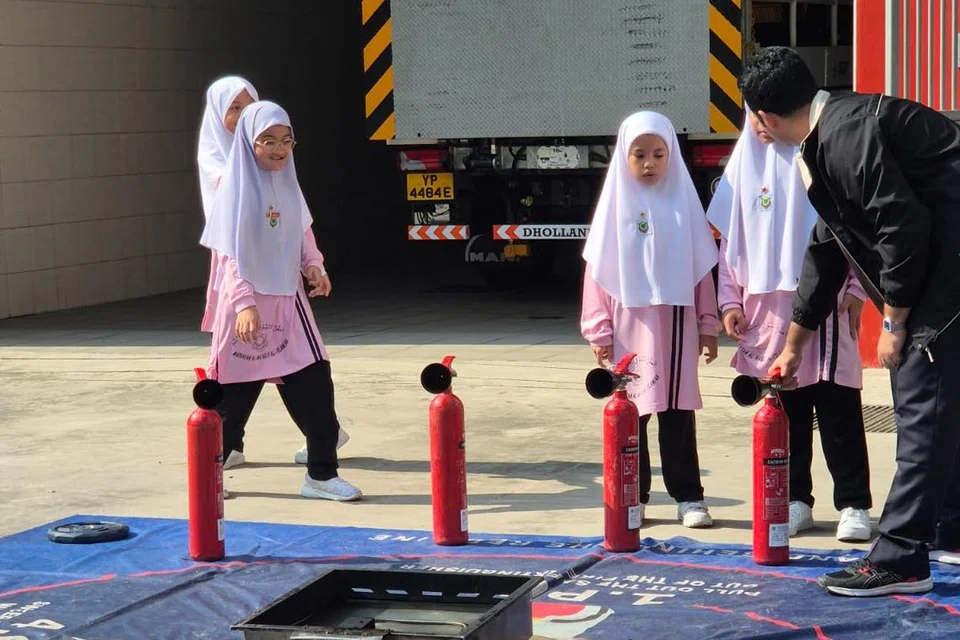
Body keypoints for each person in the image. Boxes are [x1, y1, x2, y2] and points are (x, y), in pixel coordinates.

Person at [740, 46, 960, 596]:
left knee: (919, 399)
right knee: (941, 405)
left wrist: (894, 319)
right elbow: (828, 247)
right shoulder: (829, 135)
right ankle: (947, 528)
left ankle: (901, 559)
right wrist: (794, 344)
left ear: (764, 118)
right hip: (945, 260)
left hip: (947, 266)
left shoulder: (841, 136)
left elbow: (900, 225)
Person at [706, 106, 873, 542]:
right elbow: (731, 247)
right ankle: (797, 499)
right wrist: (728, 302)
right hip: (769, 314)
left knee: (838, 409)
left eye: (770, 117)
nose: (764, 128)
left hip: (826, 304)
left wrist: (855, 289)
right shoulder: (741, 171)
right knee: (787, 410)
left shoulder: (816, 161)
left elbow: (850, 227)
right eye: (756, 119)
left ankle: (853, 503)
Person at [200, 99, 362, 502]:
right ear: (247, 144)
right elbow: (228, 253)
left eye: (286, 141)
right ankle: (207, 478)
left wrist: (314, 266)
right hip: (246, 311)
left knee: (316, 383)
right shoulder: (233, 190)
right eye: (267, 141)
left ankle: (321, 475)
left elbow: (301, 232)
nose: (278, 149)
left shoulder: (288, 184)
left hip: (287, 306)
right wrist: (243, 302)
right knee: (229, 402)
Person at [581, 110, 720, 529]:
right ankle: (634, 495)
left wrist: (708, 324)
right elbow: (597, 273)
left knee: (677, 412)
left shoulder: (684, 205)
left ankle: (689, 497)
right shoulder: (614, 208)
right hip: (627, 328)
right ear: (623, 157)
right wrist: (598, 329)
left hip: (675, 325)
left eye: (659, 154)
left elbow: (701, 270)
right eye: (639, 154)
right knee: (632, 413)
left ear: (671, 156)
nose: (649, 164)